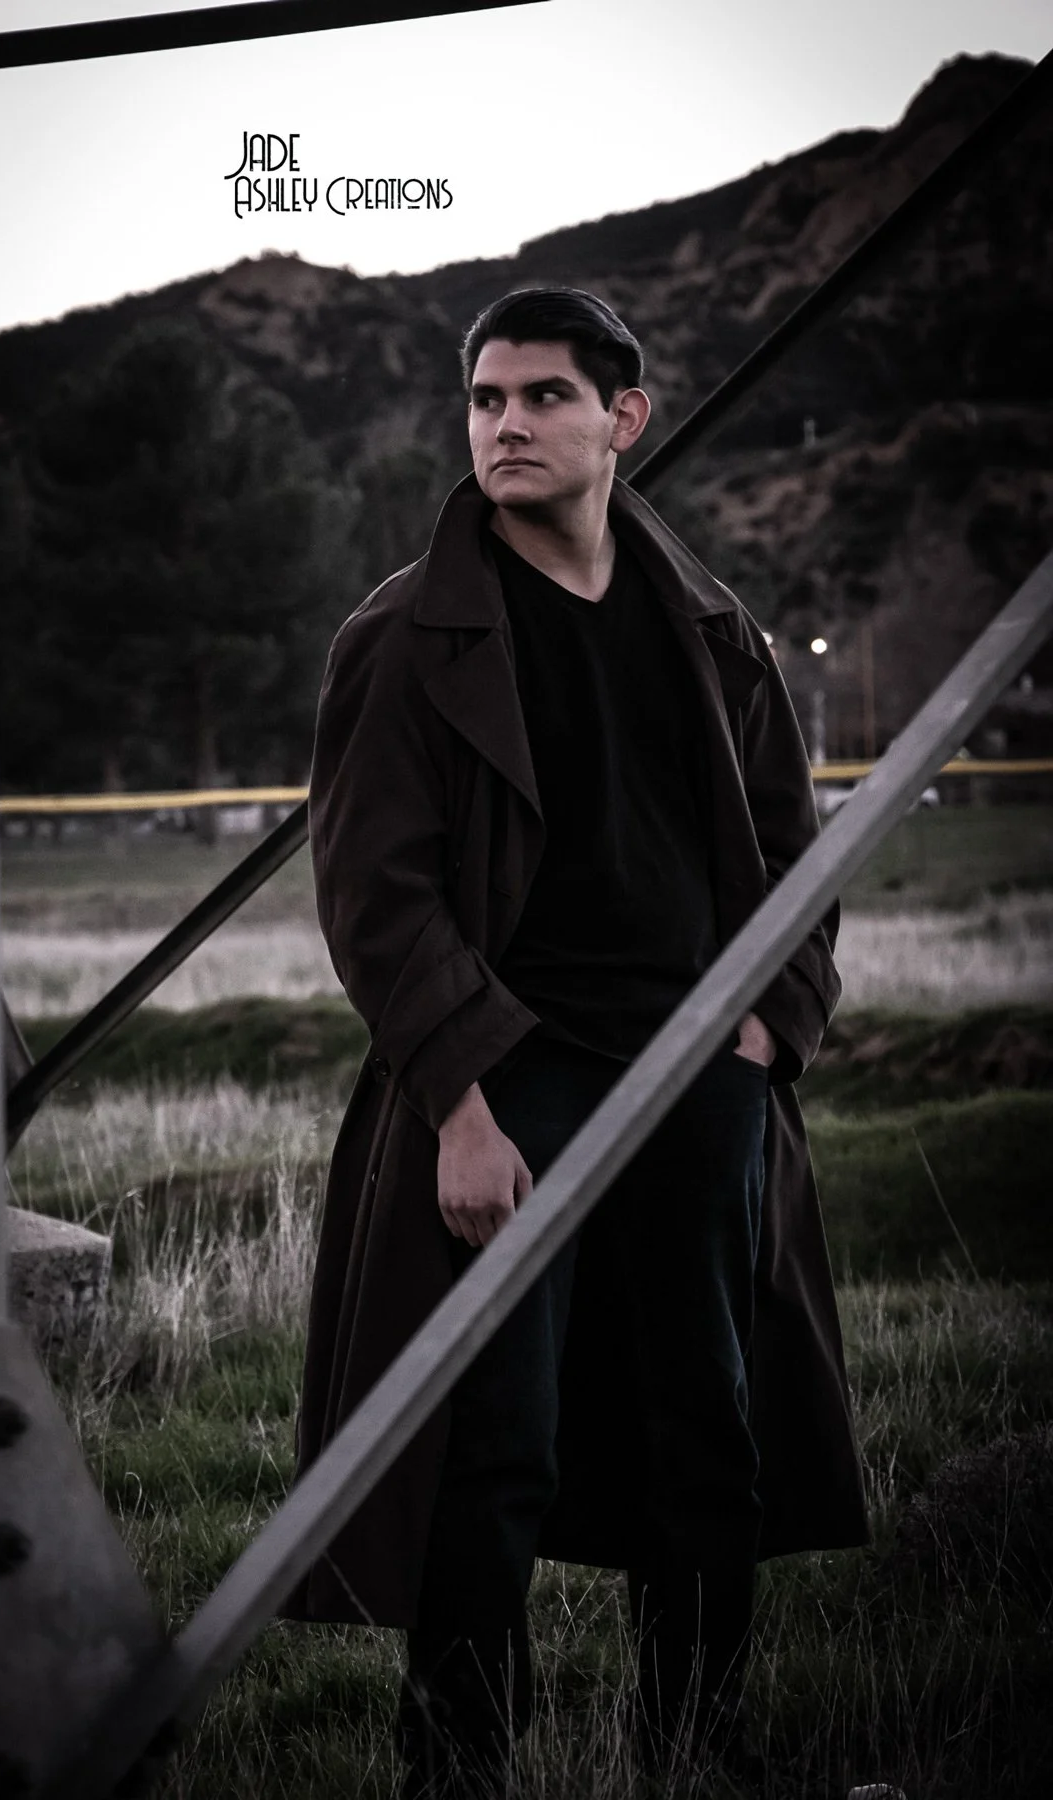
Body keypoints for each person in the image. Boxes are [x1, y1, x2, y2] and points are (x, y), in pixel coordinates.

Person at [286, 287, 868, 1796]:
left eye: (542, 397)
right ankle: (462, 1767)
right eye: (484, 401)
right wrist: (463, 1106)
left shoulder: (712, 624)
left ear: (624, 420)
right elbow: (376, 895)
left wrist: (766, 1027)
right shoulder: (408, 634)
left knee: (710, 1434)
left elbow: (796, 851)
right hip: (512, 1068)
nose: (506, 426)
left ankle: (695, 1750)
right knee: (498, 1443)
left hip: (698, 1070)